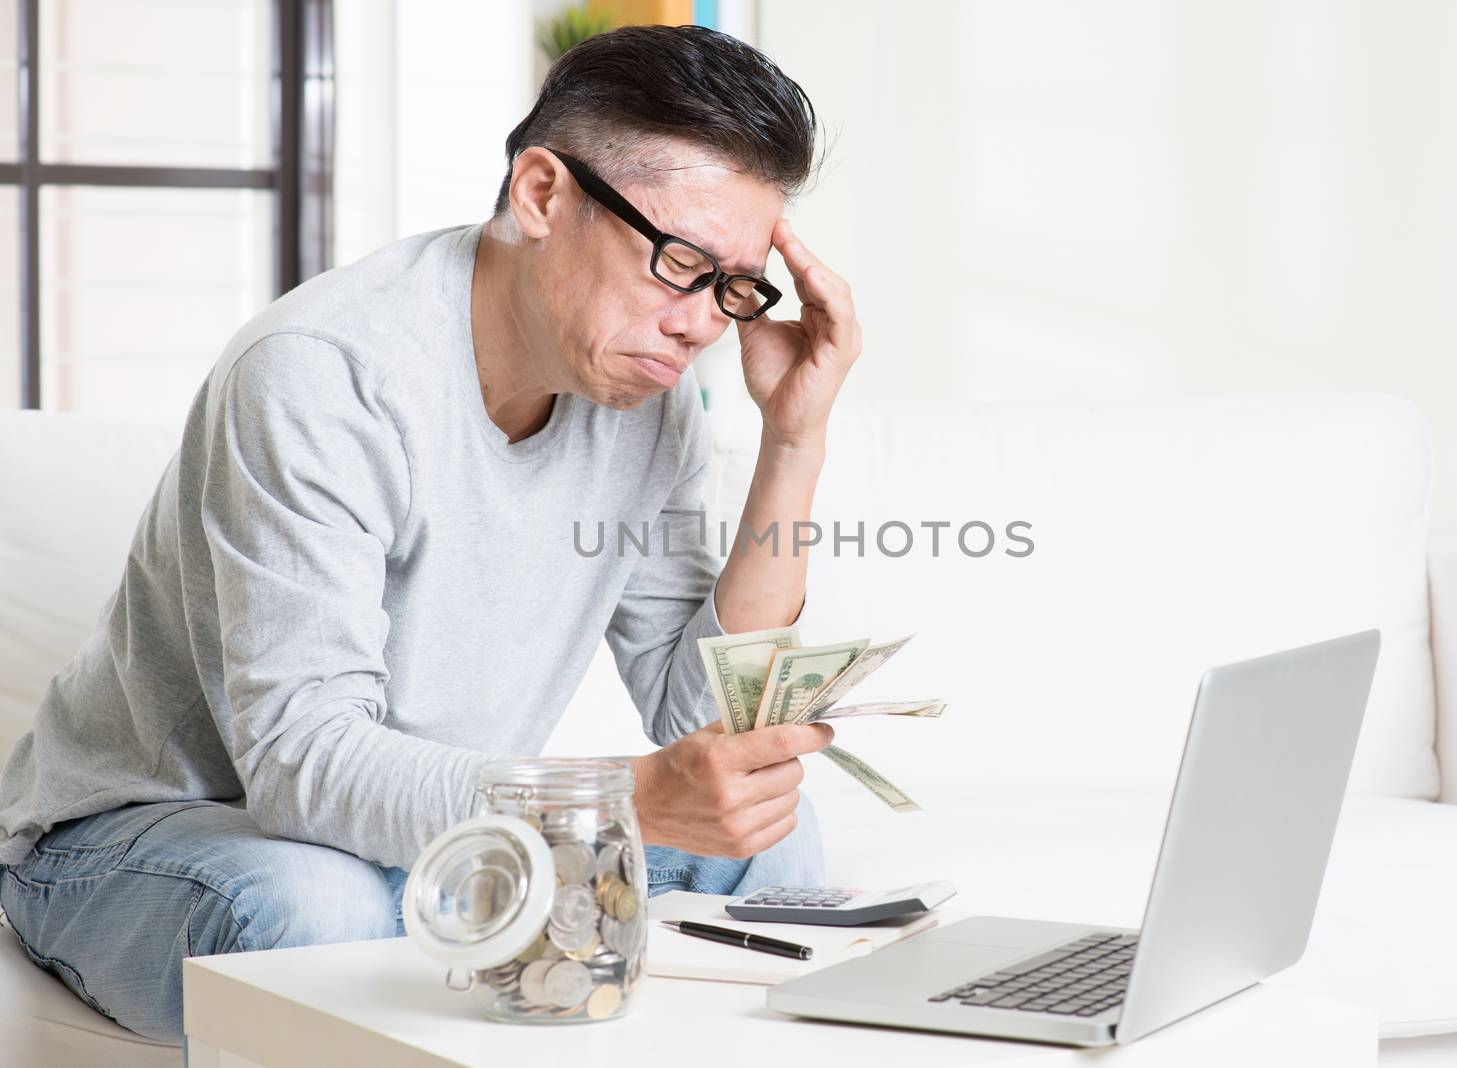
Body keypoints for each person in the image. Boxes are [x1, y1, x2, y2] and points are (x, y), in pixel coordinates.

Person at [0, 24, 860, 1045]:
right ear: (541, 194)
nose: (701, 325)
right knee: (317, 909)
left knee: (771, 842)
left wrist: (792, 439)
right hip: (163, 838)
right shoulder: (323, 374)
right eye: (679, 263)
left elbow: (694, 710)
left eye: (731, 287)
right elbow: (303, 764)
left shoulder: (646, 397)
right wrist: (620, 802)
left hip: (438, 838)